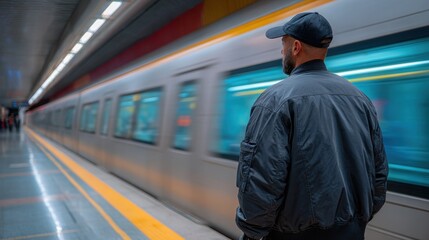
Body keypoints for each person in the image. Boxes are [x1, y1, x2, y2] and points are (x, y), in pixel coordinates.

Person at [235, 12, 388, 240]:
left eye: (283, 43)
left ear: (296, 47)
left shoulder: (275, 100)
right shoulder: (361, 100)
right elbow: (378, 174)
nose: (281, 51)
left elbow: (262, 178)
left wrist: (252, 229)